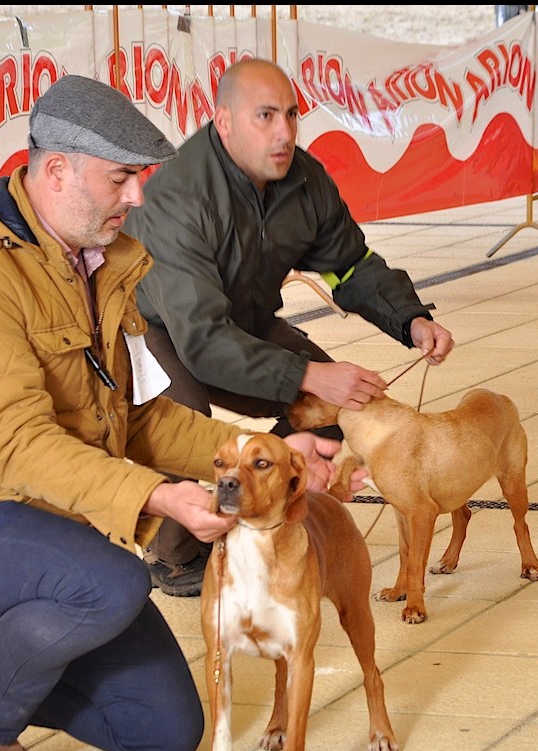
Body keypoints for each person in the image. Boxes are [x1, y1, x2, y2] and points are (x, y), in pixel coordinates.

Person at [0, 74, 358, 751]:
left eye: (140, 178)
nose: (138, 197)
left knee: (164, 734)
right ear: (57, 171)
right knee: (113, 583)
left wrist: (266, 457)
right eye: (121, 178)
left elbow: (141, 416)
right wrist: (156, 497)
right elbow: (17, 445)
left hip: (44, 525)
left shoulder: (100, 263)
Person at [123, 57, 455, 597]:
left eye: (292, 114)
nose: (284, 132)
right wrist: (308, 374)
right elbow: (202, 340)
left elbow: (349, 264)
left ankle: (257, 515)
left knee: (333, 412)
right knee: (180, 418)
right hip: (154, 329)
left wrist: (411, 318)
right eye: (266, 116)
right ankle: (174, 555)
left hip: (241, 322)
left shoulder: (303, 177)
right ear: (224, 121)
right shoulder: (179, 198)